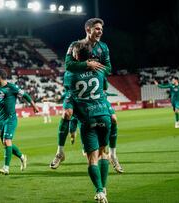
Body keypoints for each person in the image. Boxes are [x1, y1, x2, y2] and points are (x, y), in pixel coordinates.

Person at [50, 17, 123, 174]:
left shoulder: (103, 48)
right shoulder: (75, 45)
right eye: (97, 28)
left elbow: (109, 68)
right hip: (75, 90)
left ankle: (113, 155)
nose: (100, 31)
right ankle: (60, 152)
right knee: (66, 114)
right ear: (88, 29)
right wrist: (87, 64)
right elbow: (68, 65)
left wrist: (95, 68)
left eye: (101, 29)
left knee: (114, 119)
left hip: (95, 91)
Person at [66, 40, 111, 202]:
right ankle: (104, 187)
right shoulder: (99, 70)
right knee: (104, 153)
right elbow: (105, 86)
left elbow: (69, 94)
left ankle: (99, 190)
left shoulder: (70, 74)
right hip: (104, 115)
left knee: (92, 158)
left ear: (76, 55)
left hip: (88, 118)